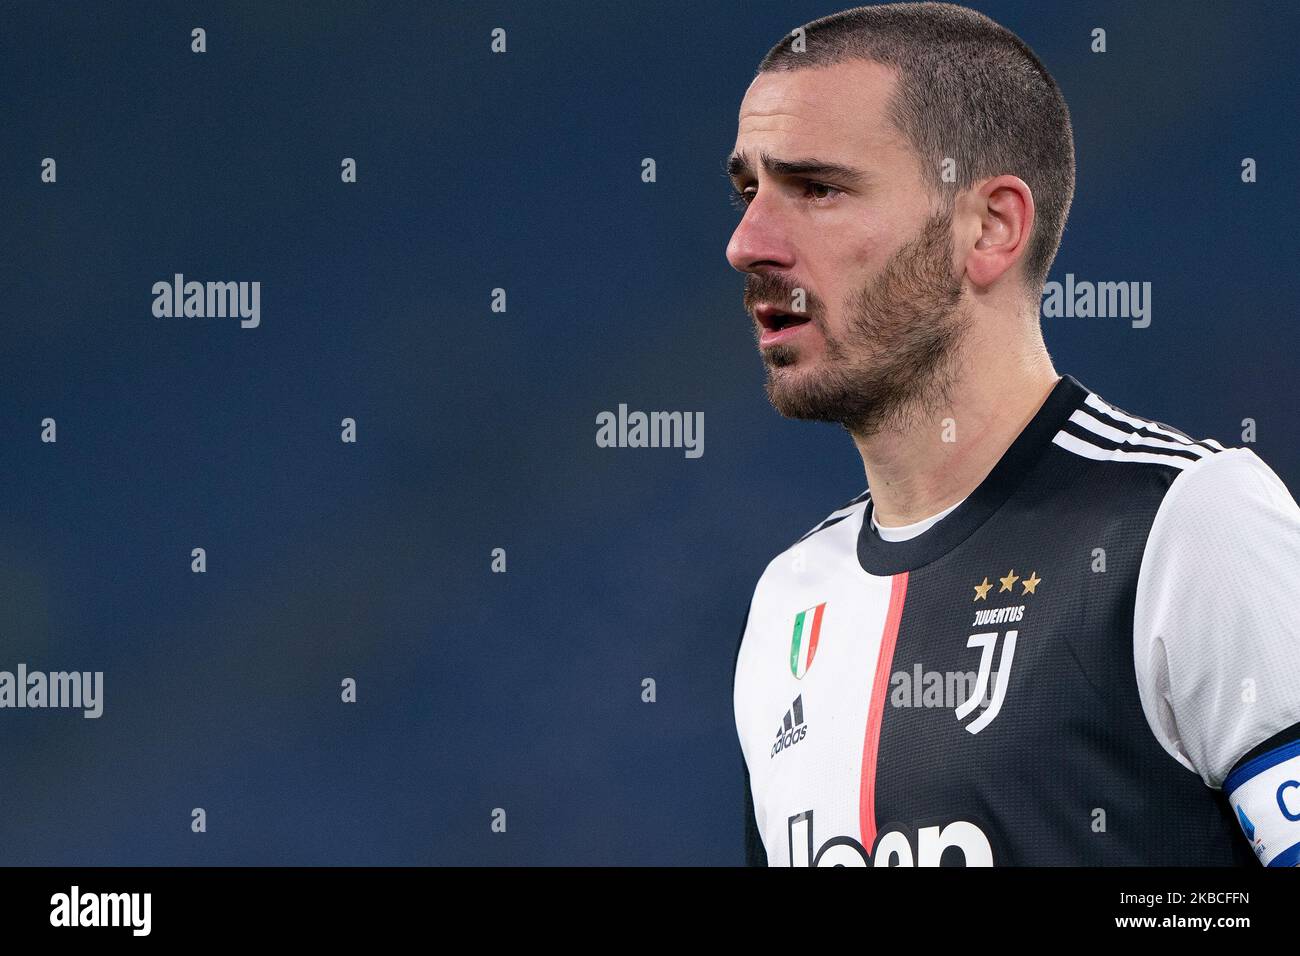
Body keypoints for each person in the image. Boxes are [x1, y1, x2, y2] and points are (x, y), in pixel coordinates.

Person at [727, 2, 1300, 866]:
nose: (748, 241)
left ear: (990, 227)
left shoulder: (1185, 525)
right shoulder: (788, 604)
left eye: (817, 189)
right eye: (748, 190)